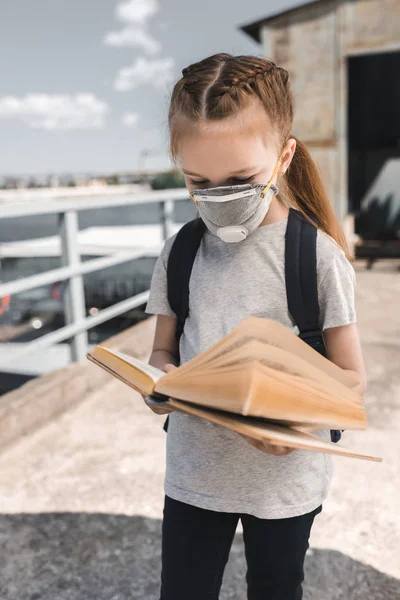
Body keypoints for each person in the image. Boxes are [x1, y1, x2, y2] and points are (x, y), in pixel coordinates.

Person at [145, 53, 367, 600]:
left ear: (284, 156)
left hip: (285, 484)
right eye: (200, 181)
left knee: (275, 589)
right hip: (195, 474)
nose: (219, 197)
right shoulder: (181, 252)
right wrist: (159, 387)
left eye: (241, 179)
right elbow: (162, 351)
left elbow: (352, 382)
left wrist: (290, 421)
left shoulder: (315, 258)